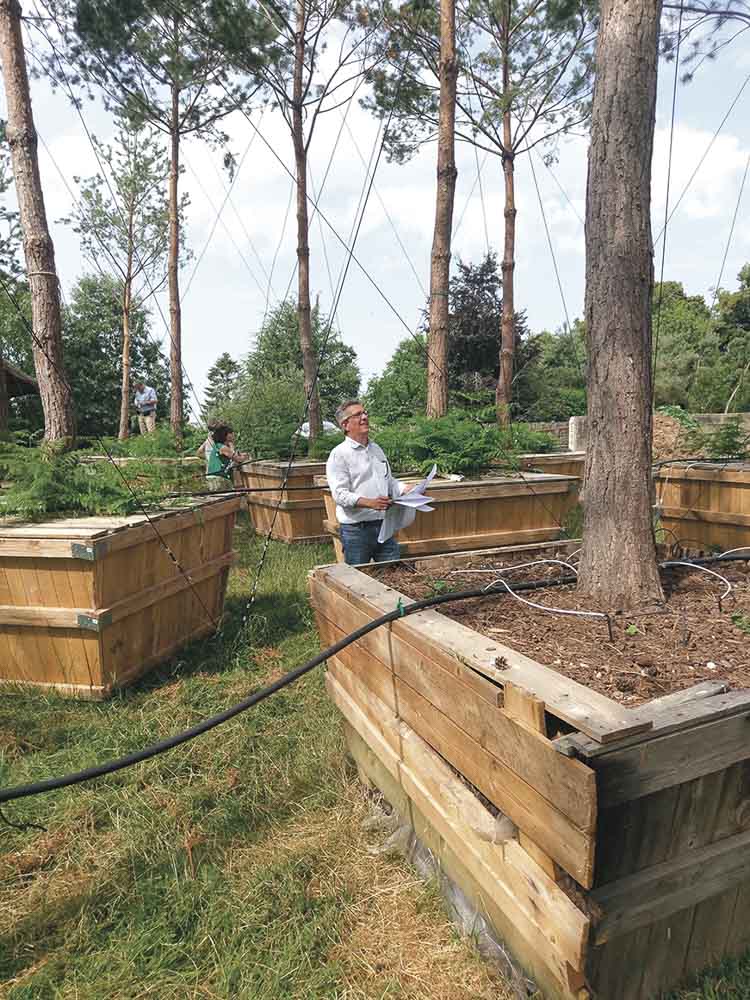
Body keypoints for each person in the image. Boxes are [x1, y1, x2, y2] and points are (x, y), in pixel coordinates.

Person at [326, 399, 408, 565]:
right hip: (356, 531)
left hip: (384, 526)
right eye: (357, 415)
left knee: (392, 577)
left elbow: (388, 480)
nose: (364, 417)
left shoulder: (377, 449)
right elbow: (340, 495)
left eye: (365, 413)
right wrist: (370, 503)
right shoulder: (339, 455)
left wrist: (405, 488)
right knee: (357, 581)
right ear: (345, 425)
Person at [206, 424, 248, 492]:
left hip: (215, 478)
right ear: (226, 435)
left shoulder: (218, 446)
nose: (233, 435)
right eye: (231, 433)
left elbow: (232, 456)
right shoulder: (223, 447)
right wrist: (245, 456)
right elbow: (239, 459)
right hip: (218, 480)